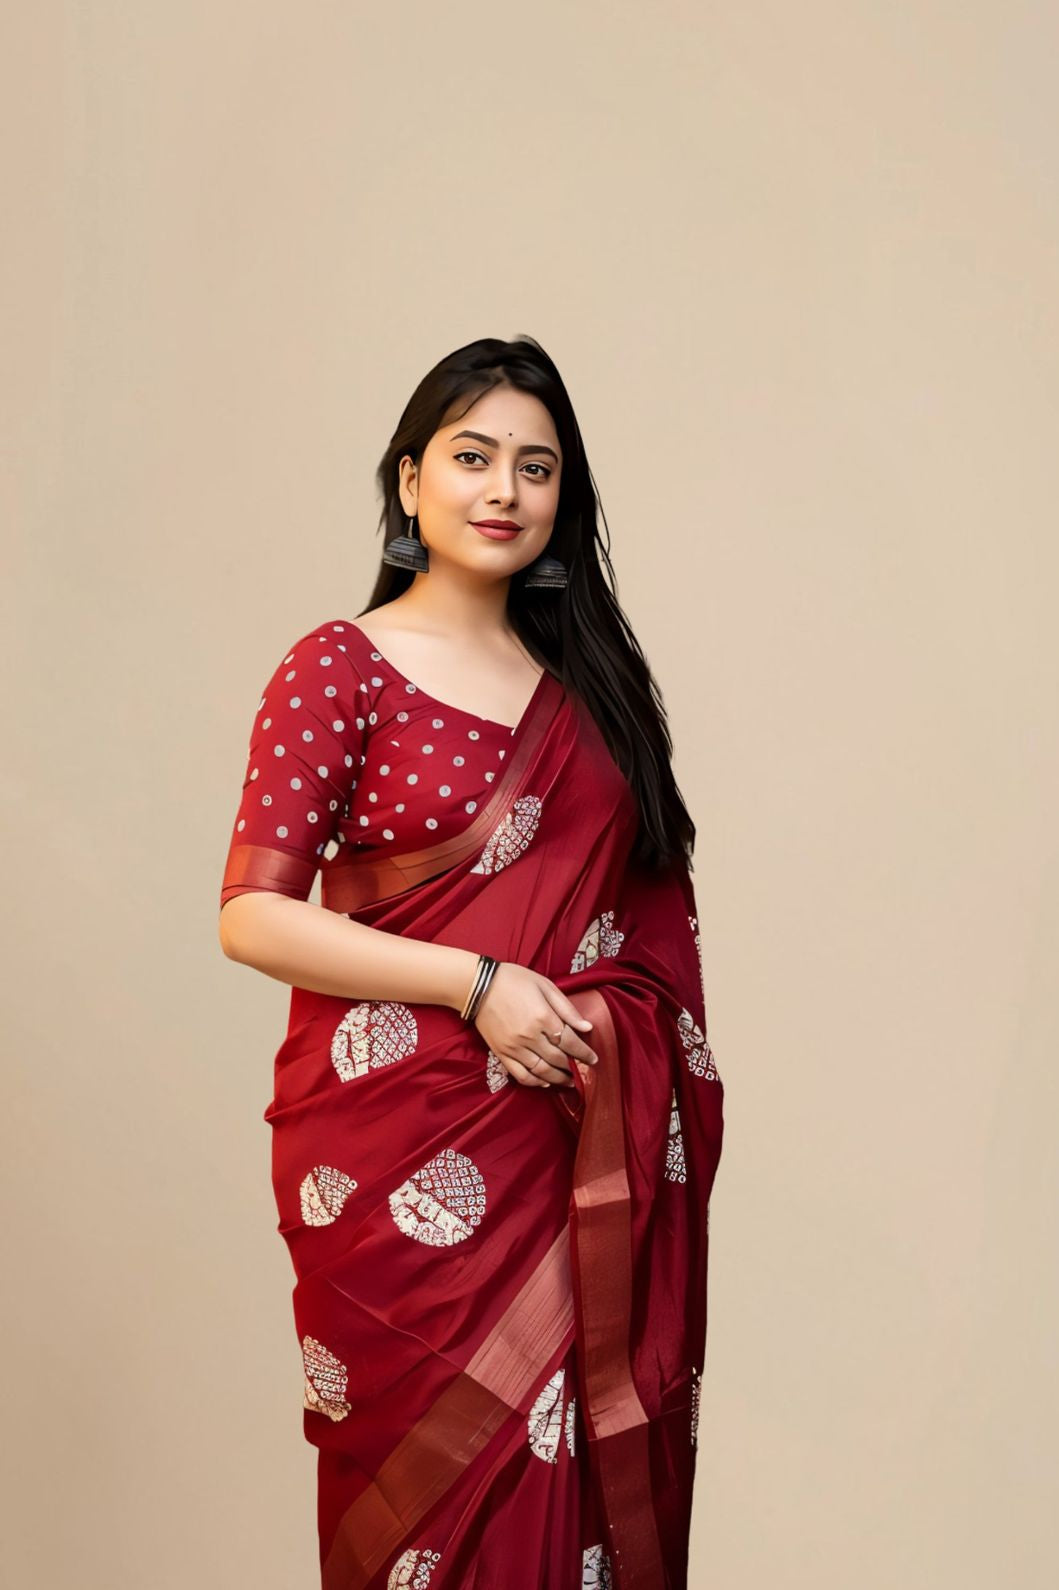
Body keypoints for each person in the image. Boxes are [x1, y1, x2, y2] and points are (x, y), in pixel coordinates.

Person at [218, 335, 725, 1590]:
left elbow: (648, 943)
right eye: (472, 457)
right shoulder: (339, 665)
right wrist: (477, 985)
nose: (504, 489)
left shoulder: (592, 695)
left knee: (572, 1489)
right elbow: (253, 915)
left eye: (536, 468)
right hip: (395, 1157)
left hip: (568, 1143)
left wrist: (598, 1029)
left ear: (564, 497)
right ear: (409, 480)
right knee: (429, 1499)